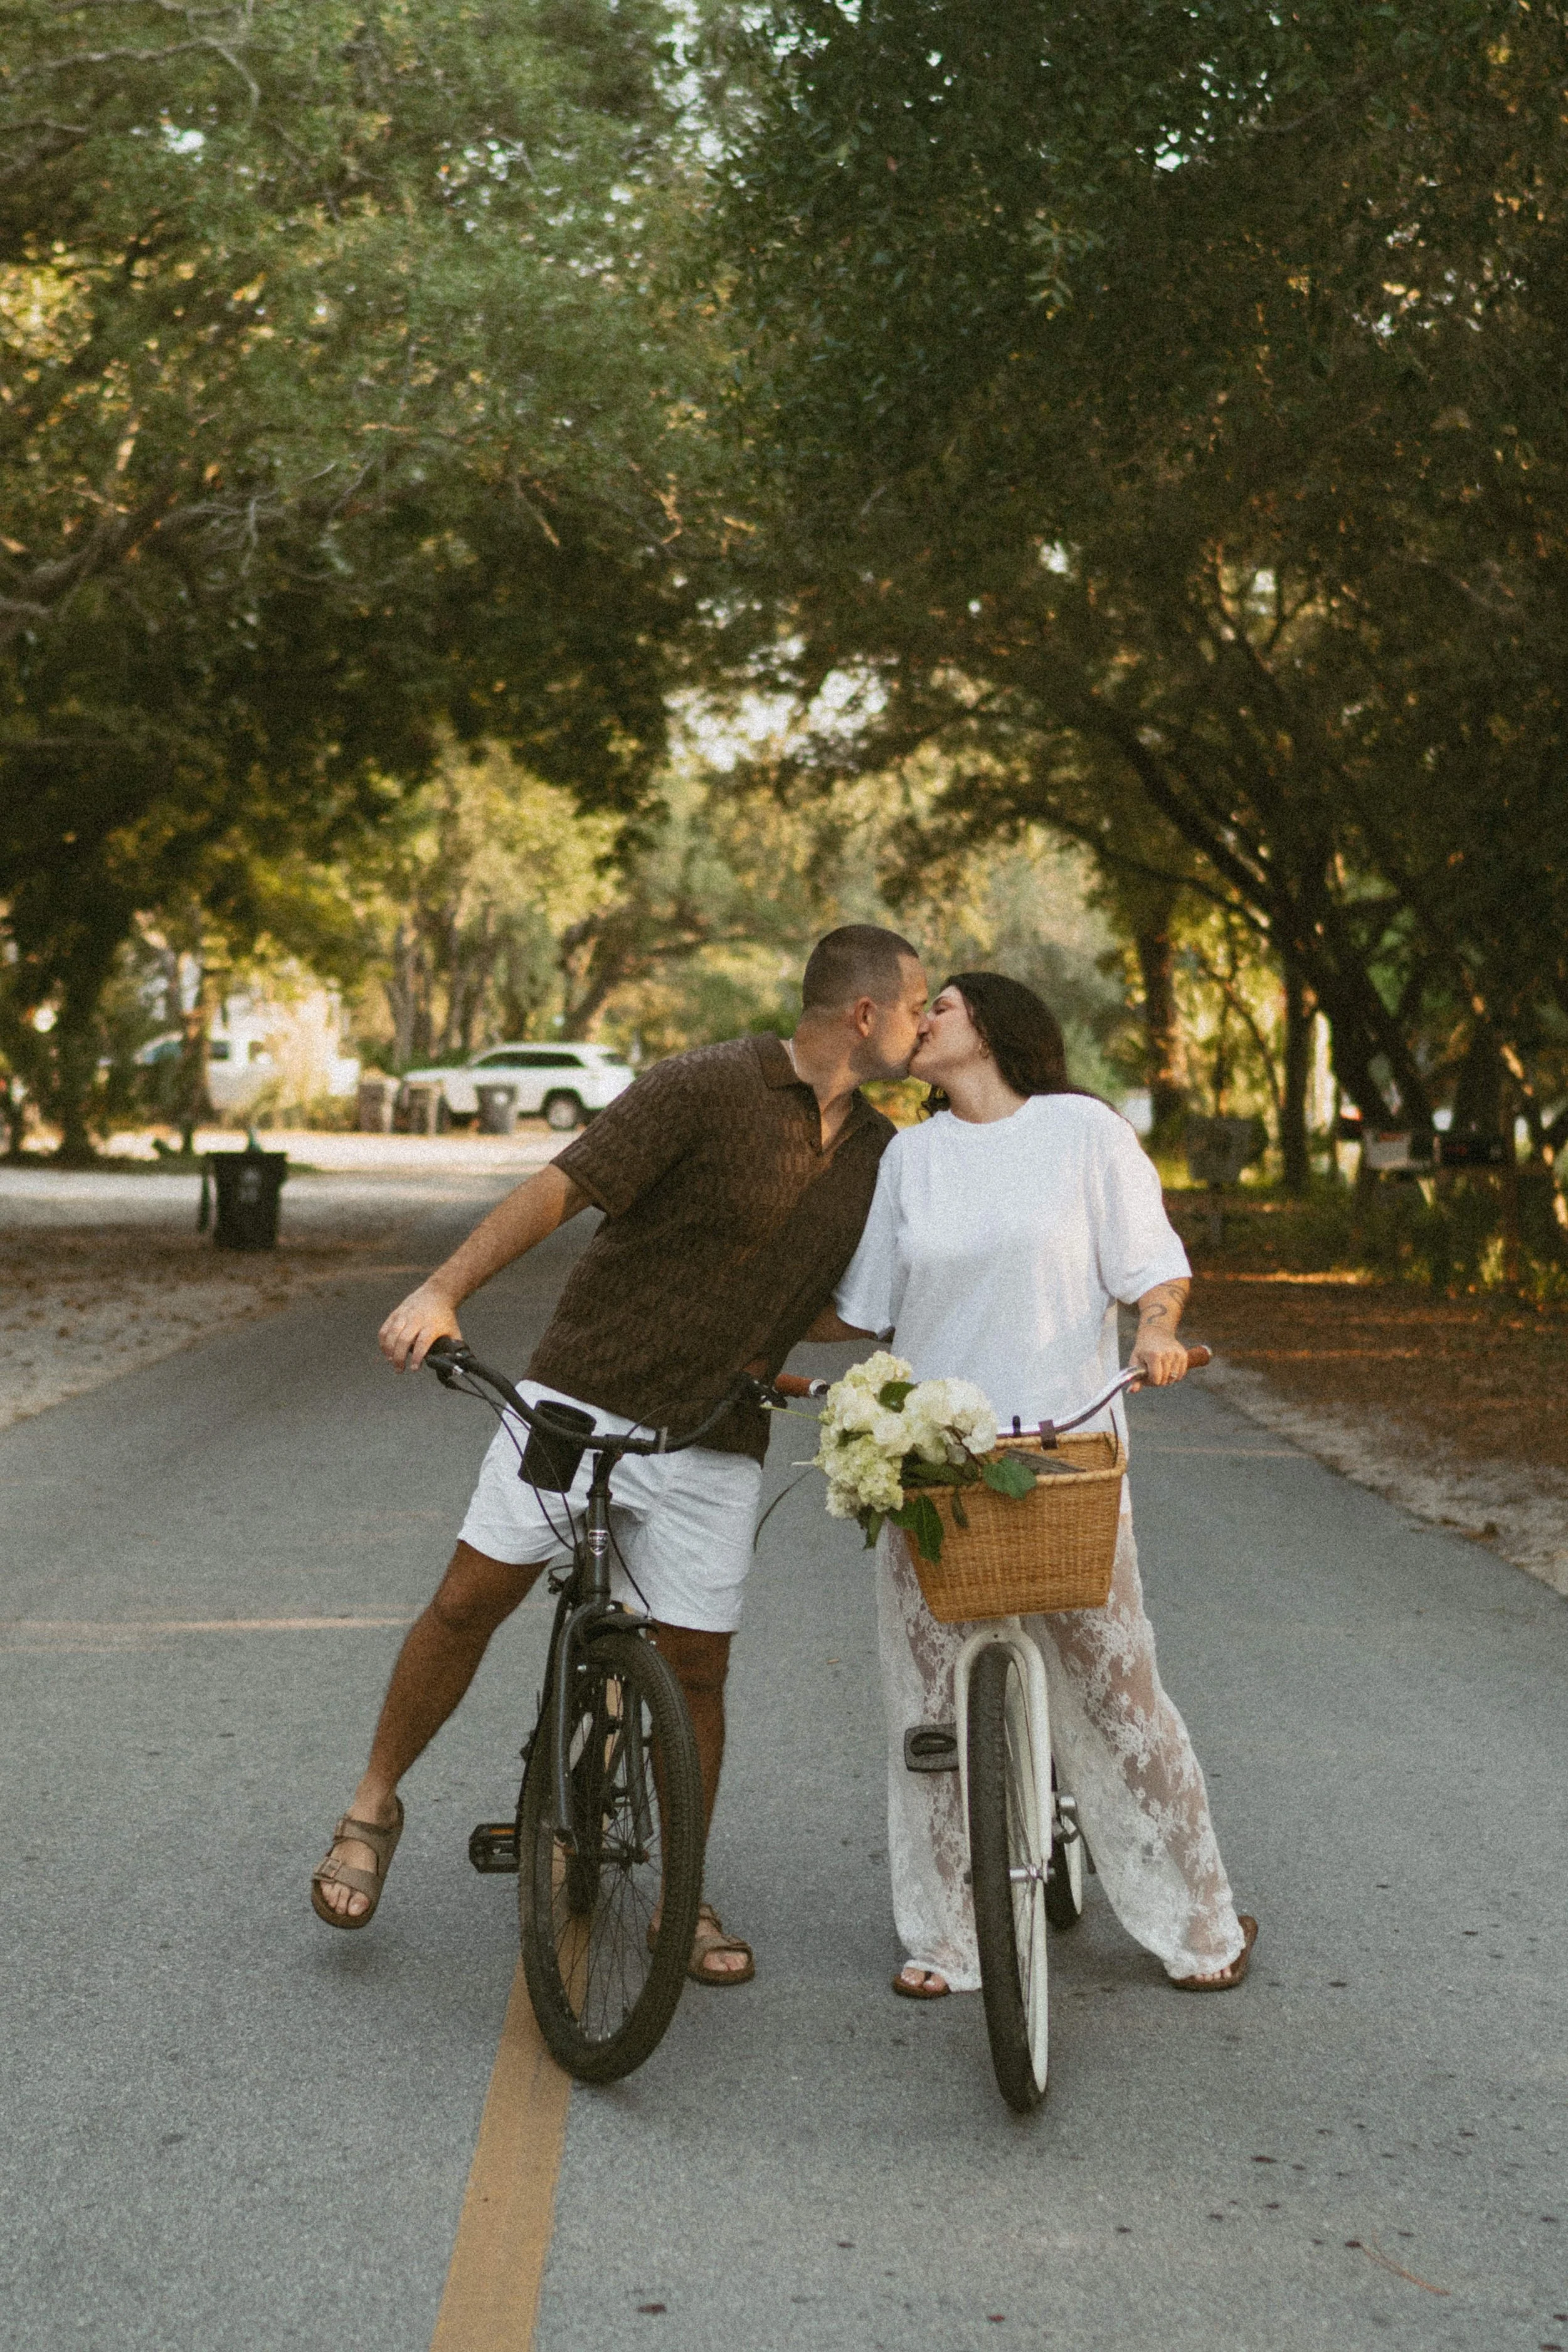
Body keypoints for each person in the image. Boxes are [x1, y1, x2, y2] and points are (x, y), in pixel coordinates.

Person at [310, 926, 929, 1986]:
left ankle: (677, 1892)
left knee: (697, 1669)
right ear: (865, 1014)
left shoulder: (881, 1151)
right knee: (470, 1599)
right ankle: (372, 1803)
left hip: (713, 1433)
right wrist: (443, 1289)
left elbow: (830, 1302)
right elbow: (564, 1187)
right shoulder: (701, 1086)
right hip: (578, 1401)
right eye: (919, 1005)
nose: (927, 1024)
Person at [825, 972, 1257, 1997]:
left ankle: (1199, 1922)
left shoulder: (1083, 1133)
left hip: (1065, 1451)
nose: (921, 1018)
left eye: (943, 1005)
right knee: (928, 1708)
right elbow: (870, 1308)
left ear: (996, 1026)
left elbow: (1153, 1267)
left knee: (1119, 1695)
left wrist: (1155, 1328)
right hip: (935, 1466)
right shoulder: (912, 1157)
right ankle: (949, 1936)